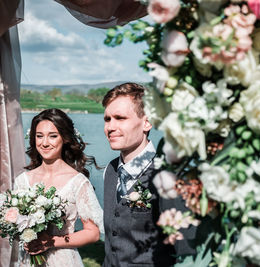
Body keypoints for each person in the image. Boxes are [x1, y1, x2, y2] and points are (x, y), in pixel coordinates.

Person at [102, 83, 196, 266]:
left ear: (147, 122)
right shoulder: (111, 170)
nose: (110, 127)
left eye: (120, 118)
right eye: (107, 119)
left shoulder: (168, 175)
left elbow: (185, 249)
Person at [14, 108, 103, 267]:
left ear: (65, 139)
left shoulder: (77, 182)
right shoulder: (22, 181)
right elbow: (15, 224)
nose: (45, 143)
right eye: (39, 136)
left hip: (63, 260)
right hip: (28, 261)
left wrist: (51, 242)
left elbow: (93, 233)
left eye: (53, 136)